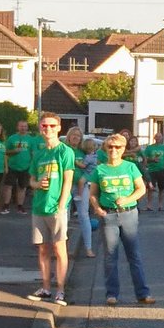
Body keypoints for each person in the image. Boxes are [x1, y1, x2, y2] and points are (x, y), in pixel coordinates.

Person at [90, 133, 155, 306]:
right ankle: (112, 294)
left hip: (129, 214)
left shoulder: (130, 167)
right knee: (110, 256)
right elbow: (93, 194)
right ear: (106, 148)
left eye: (117, 147)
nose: (113, 150)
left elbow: (141, 189)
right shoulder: (100, 170)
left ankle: (143, 293)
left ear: (123, 149)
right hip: (109, 215)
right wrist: (97, 208)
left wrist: (127, 199)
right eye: (110, 147)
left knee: (134, 255)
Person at [26, 113, 76, 306]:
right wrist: (37, 184)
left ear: (59, 128)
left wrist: (62, 206)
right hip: (39, 206)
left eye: (52, 126)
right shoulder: (39, 154)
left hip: (56, 207)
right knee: (42, 249)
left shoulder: (65, 151)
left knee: (59, 248)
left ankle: (60, 290)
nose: (48, 129)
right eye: (44, 126)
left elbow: (68, 181)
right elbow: (31, 180)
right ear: (40, 128)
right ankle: (46, 288)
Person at [64, 126, 94, 258]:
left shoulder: (84, 152)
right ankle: (62, 247)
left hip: (81, 186)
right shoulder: (63, 150)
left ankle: (88, 248)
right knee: (63, 216)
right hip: (65, 186)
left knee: (84, 216)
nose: (76, 137)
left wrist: (85, 178)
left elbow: (93, 167)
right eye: (73, 135)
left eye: (78, 135)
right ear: (69, 136)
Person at [5, 119, 34, 213]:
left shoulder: (31, 139)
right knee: (8, 186)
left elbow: (33, 153)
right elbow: (6, 151)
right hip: (12, 166)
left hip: (25, 167)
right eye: (21, 126)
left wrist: (32, 166)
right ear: (18, 127)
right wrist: (14, 151)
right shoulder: (12, 138)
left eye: (25, 126)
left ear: (27, 127)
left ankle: (20, 206)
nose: (23, 128)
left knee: (22, 187)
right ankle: (6, 206)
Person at [143, 131, 164, 212]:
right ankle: (149, 205)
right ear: (154, 138)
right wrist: (152, 160)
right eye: (157, 136)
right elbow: (145, 159)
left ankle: (160, 206)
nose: (158, 138)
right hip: (151, 171)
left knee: (161, 189)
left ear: (162, 138)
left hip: (161, 171)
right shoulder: (149, 148)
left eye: (160, 137)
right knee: (150, 188)